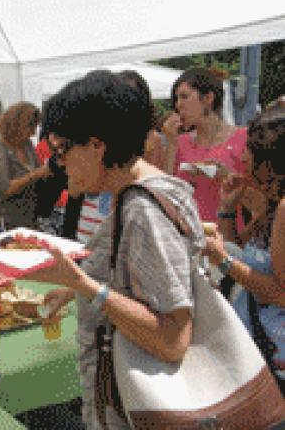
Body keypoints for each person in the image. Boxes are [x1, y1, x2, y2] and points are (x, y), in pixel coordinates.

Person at [30, 70, 206, 428]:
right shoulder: (135, 193)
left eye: (63, 149)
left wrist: (84, 285)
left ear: (98, 146)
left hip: (135, 408)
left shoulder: (143, 210)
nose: (59, 163)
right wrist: (72, 287)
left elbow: (173, 338)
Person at [204, 98, 285, 394]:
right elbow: (239, 249)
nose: (243, 156)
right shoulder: (272, 207)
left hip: (275, 354)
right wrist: (227, 208)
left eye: (250, 149)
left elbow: (280, 293)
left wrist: (223, 260)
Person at [165, 68, 248, 222]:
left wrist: (226, 176)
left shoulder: (243, 138)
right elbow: (165, 195)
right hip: (185, 236)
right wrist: (171, 144)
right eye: (176, 99)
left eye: (184, 97)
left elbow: (259, 202)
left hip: (227, 238)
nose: (178, 105)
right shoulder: (178, 142)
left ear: (208, 98)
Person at [0, 102, 50, 230]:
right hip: (7, 219)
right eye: (31, 128)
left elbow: (39, 170)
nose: (33, 133)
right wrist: (36, 174)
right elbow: (6, 188)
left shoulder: (26, 145)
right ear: (16, 125)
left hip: (30, 215)